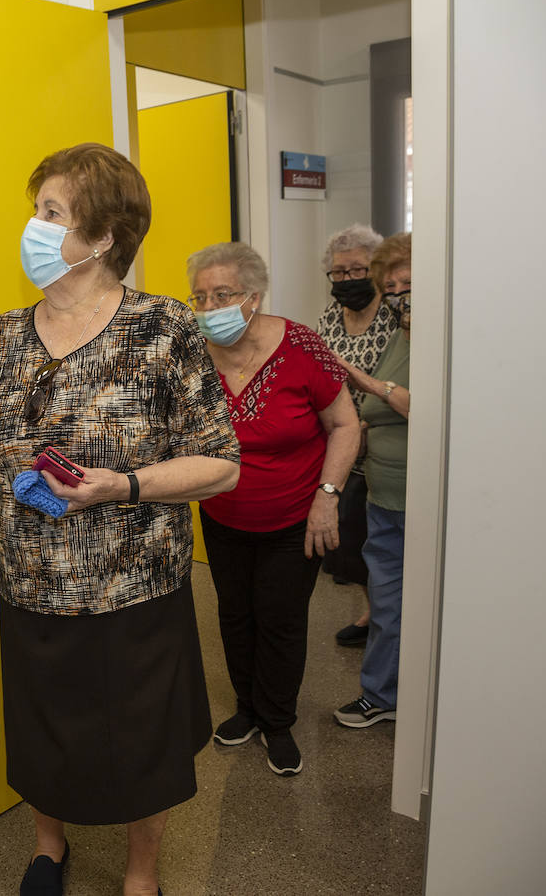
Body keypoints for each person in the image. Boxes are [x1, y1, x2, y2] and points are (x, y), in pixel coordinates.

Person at [0, 143, 240, 896]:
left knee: (142, 743)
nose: (35, 226)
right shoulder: (3, 337)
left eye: (52, 213)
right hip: (31, 589)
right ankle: (48, 849)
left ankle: (141, 873)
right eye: (38, 210)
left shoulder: (164, 330)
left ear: (103, 237)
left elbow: (222, 464)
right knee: (44, 735)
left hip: (134, 590)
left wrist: (121, 485)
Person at [187, 242, 361, 777]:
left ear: (254, 296)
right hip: (222, 516)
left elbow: (345, 425)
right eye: (199, 297)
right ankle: (247, 710)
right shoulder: (192, 352)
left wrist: (327, 499)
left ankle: (278, 721)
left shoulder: (303, 346)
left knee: (280, 620)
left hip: (295, 519)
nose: (210, 306)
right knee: (235, 615)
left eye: (223, 294)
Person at [333, 232, 412, 728]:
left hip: (413, 495)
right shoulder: (405, 334)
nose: (400, 293)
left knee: (398, 601)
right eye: (393, 285)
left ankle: (389, 693)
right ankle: (381, 693)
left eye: (408, 282)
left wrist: (361, 379)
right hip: (383, 490)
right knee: (387, 600)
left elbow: (413, 404)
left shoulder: (445, 337)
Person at [315, 224, 399, 646]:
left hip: (380, 440)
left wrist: (363, 424)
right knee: (350, 542)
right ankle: (373, 611)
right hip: (341, 440)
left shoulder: (395, 313)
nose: (348, 280)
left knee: (372, 538)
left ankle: (380, 618)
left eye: (357, 270)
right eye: (340, 273)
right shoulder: (331, 314)